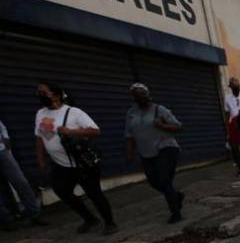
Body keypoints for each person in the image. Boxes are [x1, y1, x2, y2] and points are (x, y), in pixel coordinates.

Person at [35, 81, 117, 234]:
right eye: (38, 92)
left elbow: (95, 131)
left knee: (94, 193)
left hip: (81, 164)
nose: (40, 95)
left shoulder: (74, 112)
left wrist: (70, 131)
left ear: (56, 95)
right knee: (62, 192)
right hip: (61, 165)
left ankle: (110, 223)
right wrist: (40, 158)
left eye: (43, 92)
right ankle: (90, 219)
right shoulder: (41, 113)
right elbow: (40, 137)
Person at [124, 83, 185, 223]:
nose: (140, 97)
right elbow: (129, 135)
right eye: (136, 95)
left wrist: (163, 125)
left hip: (165, 148)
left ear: (148, 95)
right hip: (145, 152)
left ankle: (175, 212)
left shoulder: (159, 110)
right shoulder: (131, 113)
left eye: (142, 94)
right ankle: (176, 196)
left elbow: (179, 126)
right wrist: (129, 154)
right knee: (153, 182)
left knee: (164, 180)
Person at [0, 118, 43, 229]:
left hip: (2, 152)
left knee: (21, 182)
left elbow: (1, 126)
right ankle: (7, 220)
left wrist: (6, 137)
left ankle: (35, 214)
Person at [224, 77, 240, 174]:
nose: (236, 87)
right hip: (233, 123)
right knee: (234, 147)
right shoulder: (227, 98)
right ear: (231, 87)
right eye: (234, 85)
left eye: (237, 85)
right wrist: (227, 128)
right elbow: (227, 112)